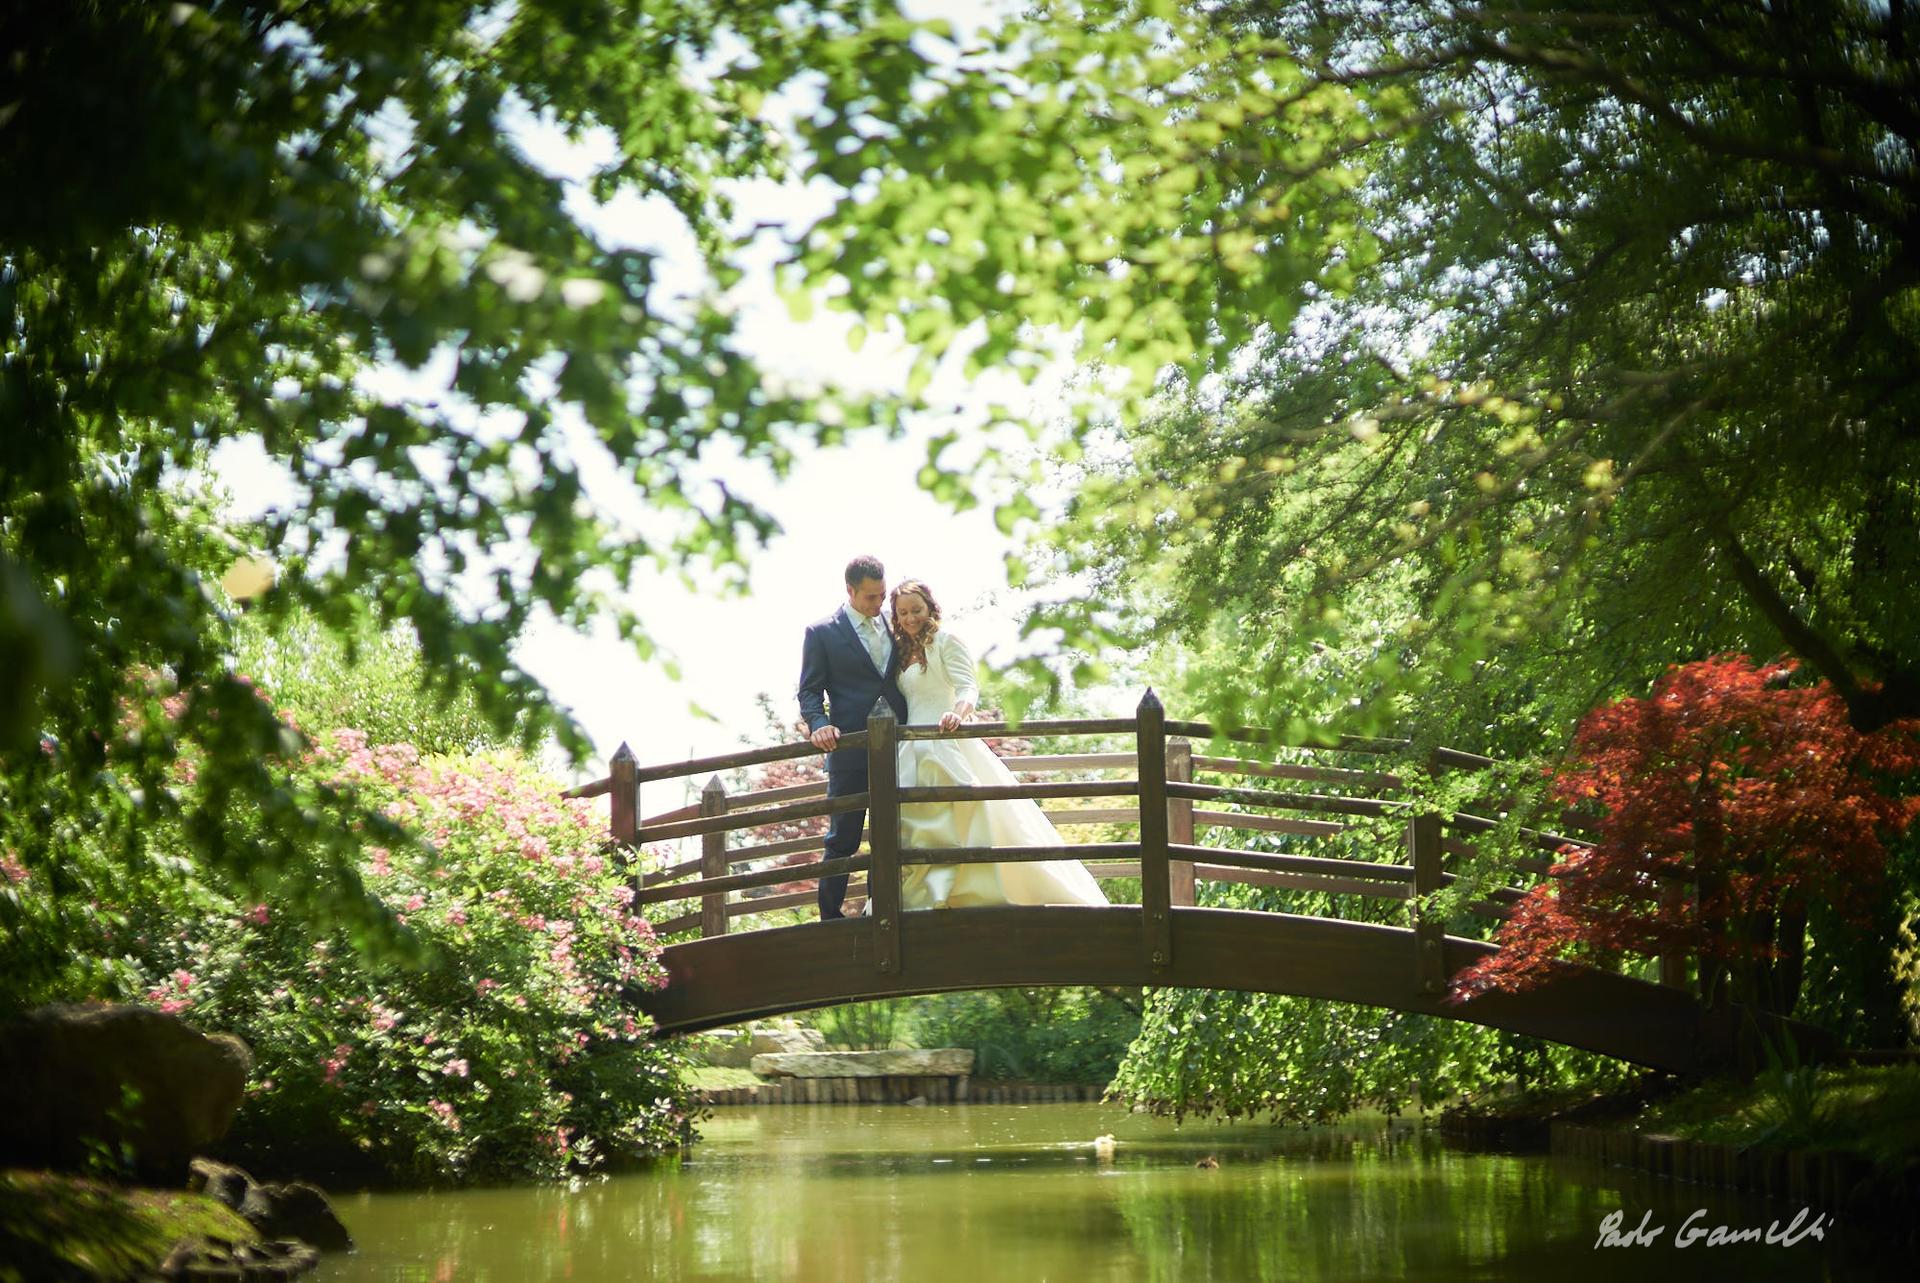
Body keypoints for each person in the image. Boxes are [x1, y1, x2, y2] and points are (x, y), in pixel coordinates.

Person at [887, 579, 1107, 909]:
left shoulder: (946, 641)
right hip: (911, 748)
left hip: (945, 739)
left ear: (930, 608)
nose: (910, 618)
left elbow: (967, 688)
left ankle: (973, 892)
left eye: (916, 610)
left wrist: (957, 714)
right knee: (918, 822)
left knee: (967, 811)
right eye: (902, 613)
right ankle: (928, 898)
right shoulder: (901, 652)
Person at [797, 555, 909, 919]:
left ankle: (882, 910)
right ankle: (830, 917)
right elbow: (809, 692)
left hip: (899, 749)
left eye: (881, 595)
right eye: (870, 598)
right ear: (850, 591)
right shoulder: (822, 633)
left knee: (890, 836)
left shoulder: (897, 623)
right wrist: (819, 724)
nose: (879, 605)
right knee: (842, 838)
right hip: (849, 751)